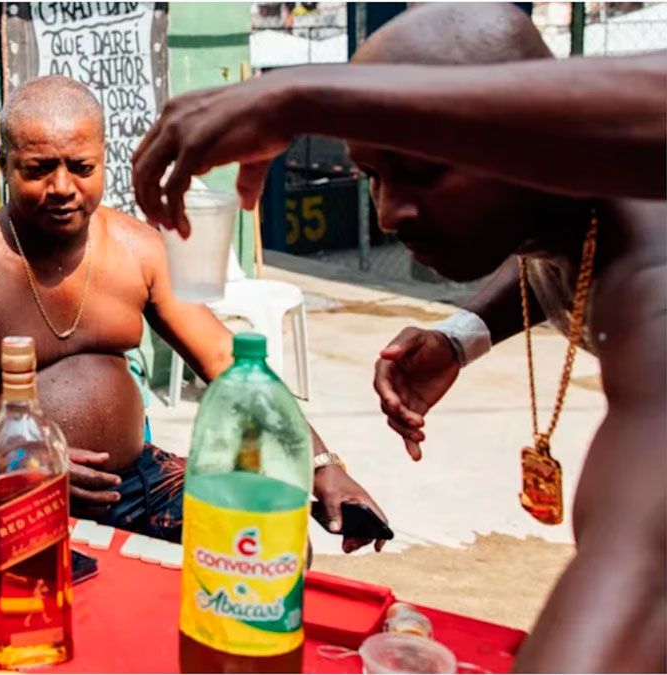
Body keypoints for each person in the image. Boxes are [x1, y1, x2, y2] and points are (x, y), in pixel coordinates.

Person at [132, 5, 665, 672]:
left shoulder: (651, 288)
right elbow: (552, 248)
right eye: (373, 176)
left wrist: (299, 93)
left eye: (425, 171)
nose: (388, 212)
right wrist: (463, 334)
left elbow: (641, 571)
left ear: (534, 137)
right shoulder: (577, 212)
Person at [0, 75, 387, 551]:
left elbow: (230, 365)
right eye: (38, 170)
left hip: (134, 481)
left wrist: (320, 466)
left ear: (105, 159)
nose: (62, 187)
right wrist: (15, 464)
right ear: (4, 163)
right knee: (65, 599)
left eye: (81, 167)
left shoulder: (138, 251)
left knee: (266, 539)